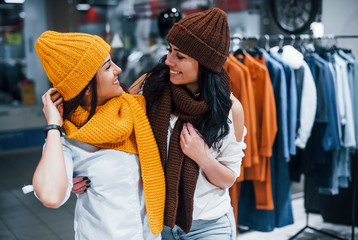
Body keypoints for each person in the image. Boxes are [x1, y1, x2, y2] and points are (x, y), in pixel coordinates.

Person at [73, 7, 246, 240]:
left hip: (209, 226)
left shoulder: (229, 109)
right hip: (157, 225)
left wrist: (202, 156)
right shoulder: (151, 87)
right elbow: (112, 125)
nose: (168, 61)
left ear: (205, 64)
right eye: (170, 51)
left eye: (180, 56)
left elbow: (228, 178)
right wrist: (78, 173)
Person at [27, 31, 165, 240]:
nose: (118, 69)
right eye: (108, 67)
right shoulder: (67, 137)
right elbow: (51, 195)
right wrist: (53, 126)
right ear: (86, 88)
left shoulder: (135, 107)